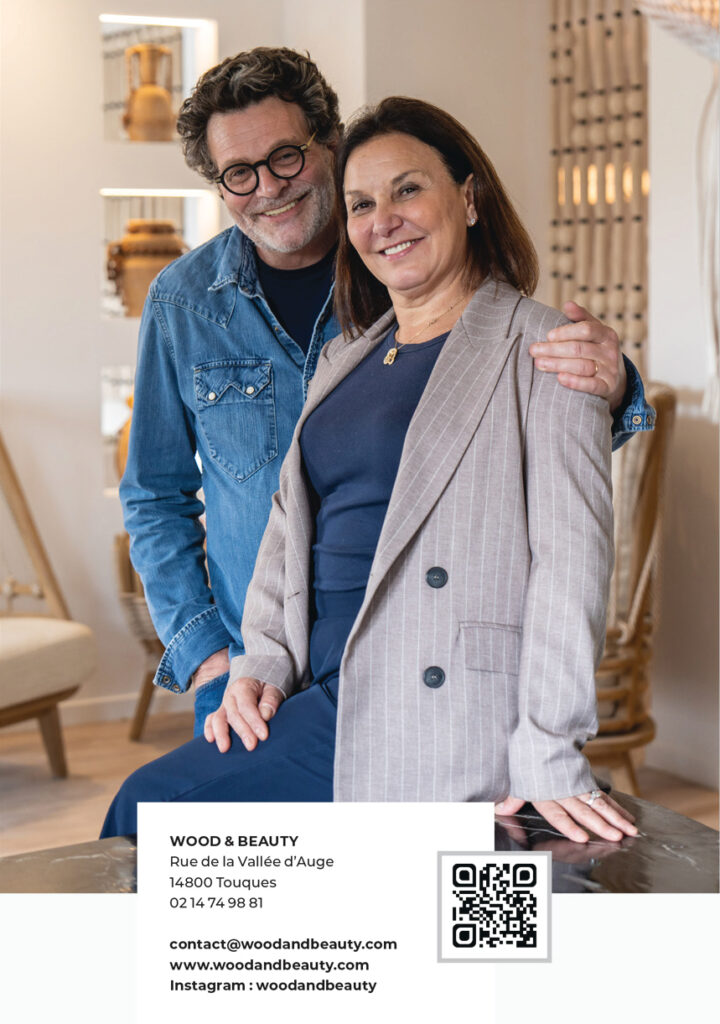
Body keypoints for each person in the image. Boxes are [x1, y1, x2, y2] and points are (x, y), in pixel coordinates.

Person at [103, 95, 639, 846]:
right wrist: (245, 661)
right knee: (214, 869)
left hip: (430, 697)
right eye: (363, 204)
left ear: (470, 198)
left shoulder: (547, 347)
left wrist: (549, 747)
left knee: (149, 816)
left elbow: (570, 561)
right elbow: (279, 530)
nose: (383, 219)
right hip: (307, 682)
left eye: (408, 189)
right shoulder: (346, 353)